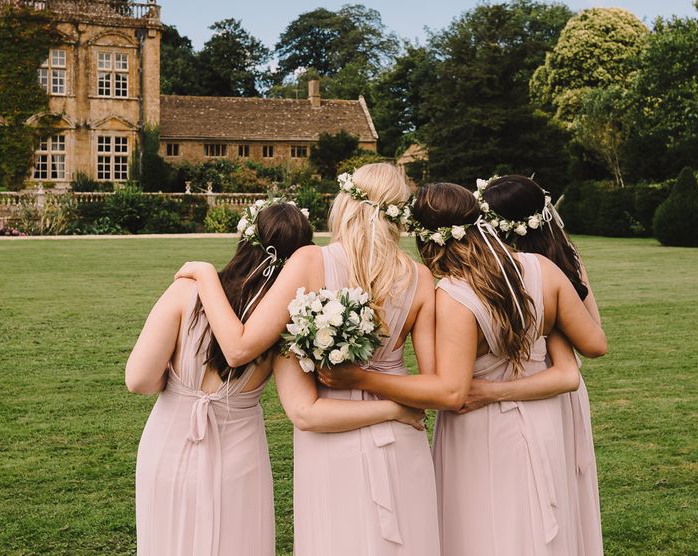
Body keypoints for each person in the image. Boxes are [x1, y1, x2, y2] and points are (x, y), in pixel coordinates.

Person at [319, 182, 606, 555]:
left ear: (426, 240)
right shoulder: (542, 269)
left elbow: (452, 393)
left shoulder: (455, 296)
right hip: (545, 420)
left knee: (484, 532)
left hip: (482, 430)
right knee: (541, 530)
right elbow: (592, 345)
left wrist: (360, 377)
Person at [127, 198, 421, 556]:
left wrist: (178, 385)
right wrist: (394, 410)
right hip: (239, 455)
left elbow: (139, 380)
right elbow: (305, 410)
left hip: (168, 444)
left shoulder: (184, 293)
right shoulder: (288, 325)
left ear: (245, 237)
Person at [470, 174, 604, 555]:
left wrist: (556, 323)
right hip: (554, 385)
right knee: (558, 490)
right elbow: (594, 340)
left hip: (552, 385)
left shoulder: (506, 270)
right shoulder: (563, 258)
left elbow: (594, 341)